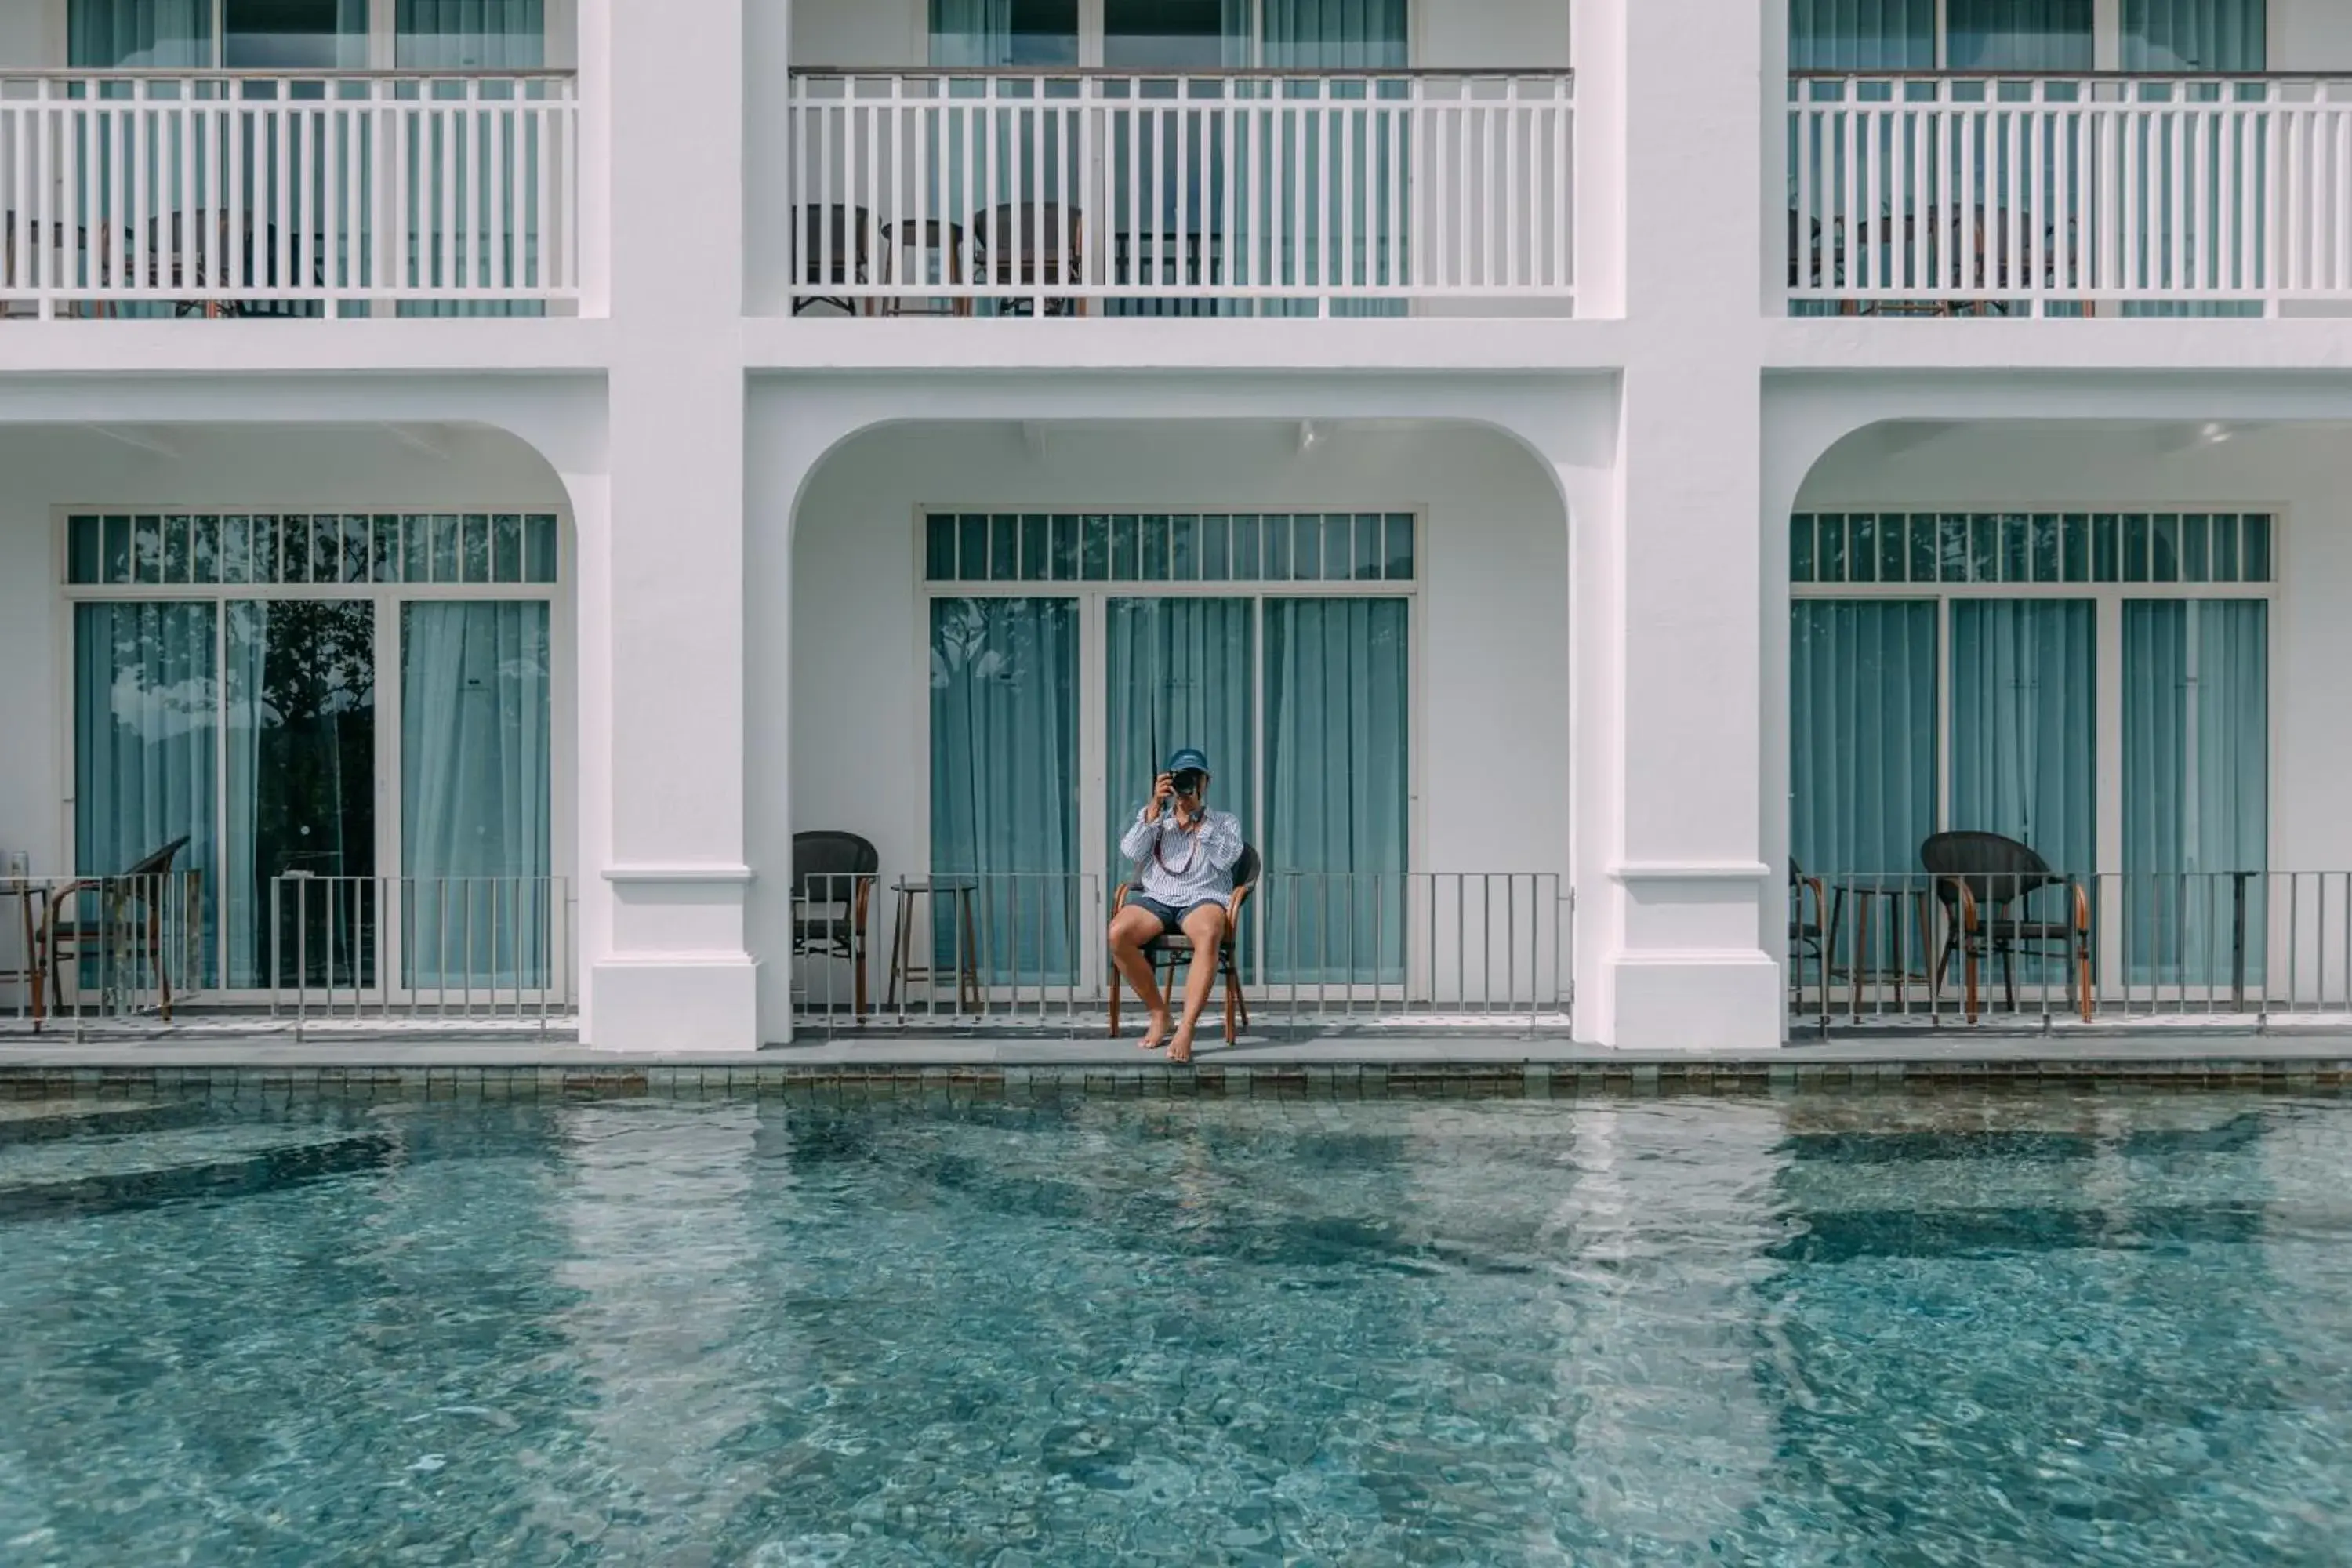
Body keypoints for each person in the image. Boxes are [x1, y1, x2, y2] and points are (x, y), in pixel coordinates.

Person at [1111, 746, 1244, 1064]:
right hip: (1158, 898)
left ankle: (1186, 1027)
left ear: (1206, 782)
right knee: (1118, 933)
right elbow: (1130, 852)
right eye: (1183, 779)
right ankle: (1160, 1014)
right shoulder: (1158, 820)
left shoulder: (1225, 822)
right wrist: (1154, 807)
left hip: (1203, 897)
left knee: (1209, 932)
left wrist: (1200, 820)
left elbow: (1227, 860)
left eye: (1196, 778)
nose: (1189, 786)